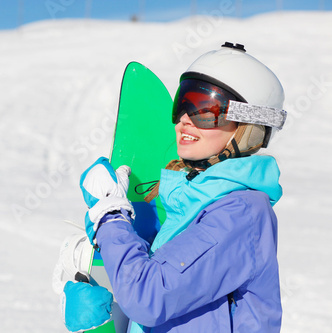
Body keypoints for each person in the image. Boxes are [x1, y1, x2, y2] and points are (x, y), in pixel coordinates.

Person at [55, 42, 287, 332]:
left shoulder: (241, 212)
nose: (185, 120)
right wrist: (102, 320)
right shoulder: (187, 206)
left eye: (206, 109)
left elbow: (149, 297)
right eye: (182, 105)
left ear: (248, 127)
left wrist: (110, 217)